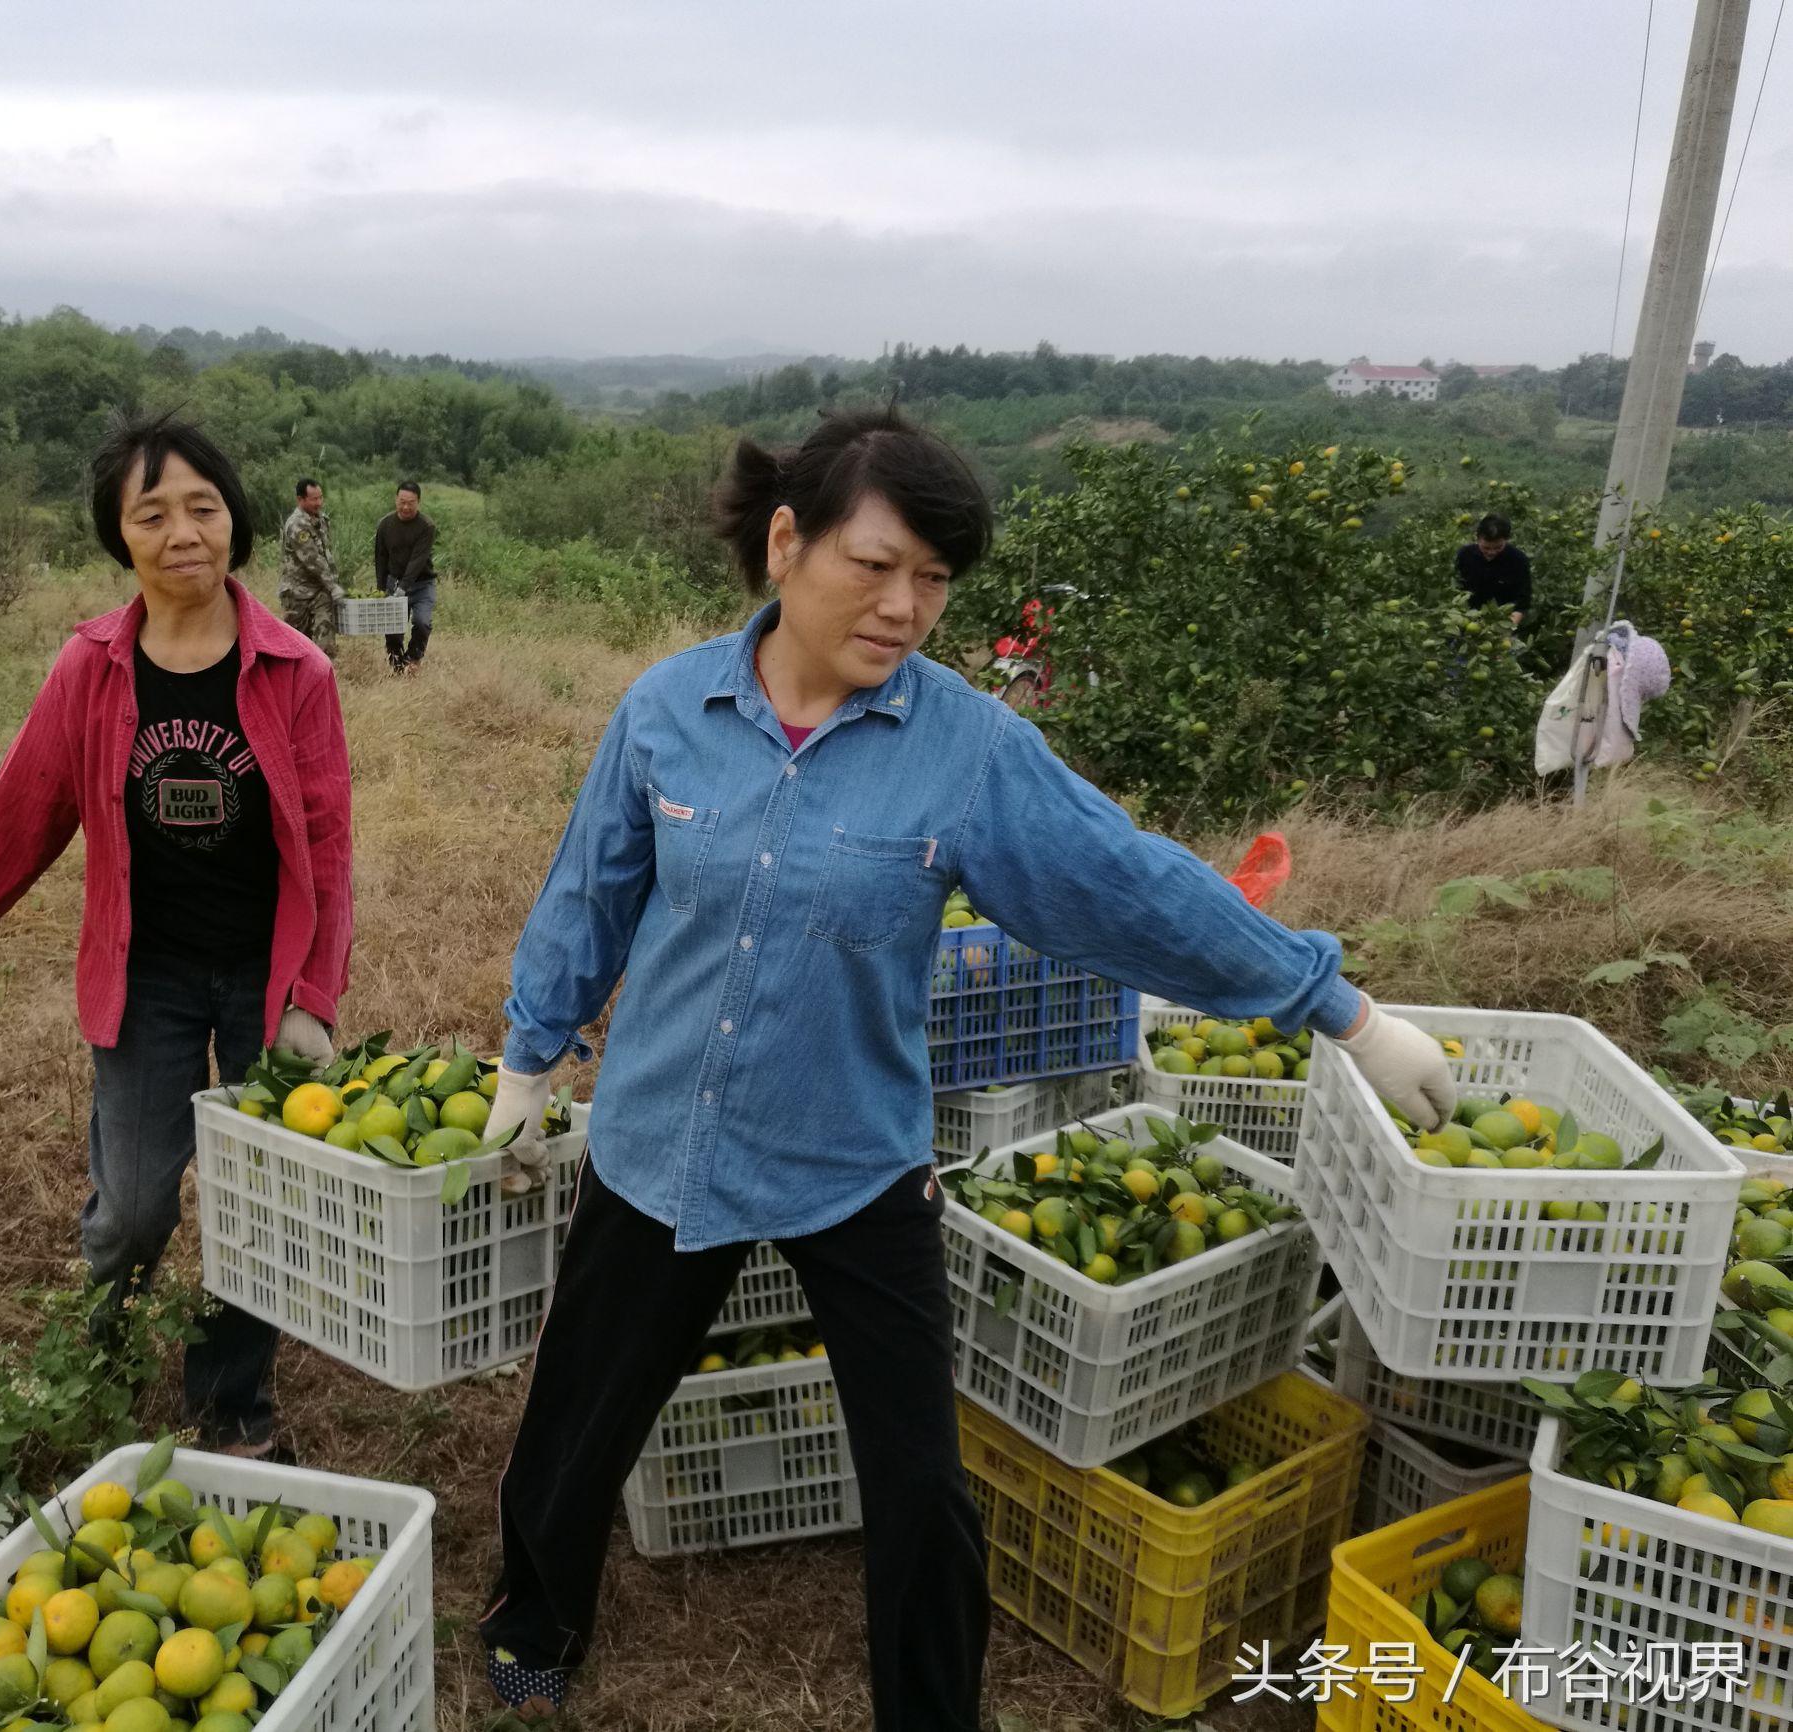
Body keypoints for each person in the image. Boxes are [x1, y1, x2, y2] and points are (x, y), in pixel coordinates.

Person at [473, 408, 1455, 1728]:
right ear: (786, 542)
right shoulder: (666, 714)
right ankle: (535, 1615)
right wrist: (530, 1062)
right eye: (875, 566)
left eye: (934, 580)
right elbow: (591, 894)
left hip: (853, 1158)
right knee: (579, 1416)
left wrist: (1335, 1006)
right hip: (664, 1138)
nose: (906, 606)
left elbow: (1129, 886)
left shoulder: (967, 749)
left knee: (922, 1484)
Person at [0, 411, 353, 1459]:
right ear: (120, 534)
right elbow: (30, 800)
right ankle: (92, 1363)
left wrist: (310, 999)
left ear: (233, 518)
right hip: (143, 972)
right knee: (134, 1207)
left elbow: (326, 850)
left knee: (259, 1204)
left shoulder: (295, 673)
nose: (182, 530)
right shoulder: (91, 667)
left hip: (260, 978)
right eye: (153, 513)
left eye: (202, 506)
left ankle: (230, 1404)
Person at [373, 481, 437, 674]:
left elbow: (418, 560)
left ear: (419, 502)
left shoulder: (426, 526)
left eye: (411, 502)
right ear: (396, 499)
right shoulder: (385, 524)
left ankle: (413, 658)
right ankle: (397, 666)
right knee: (392, 629)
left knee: (422, 622)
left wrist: (404, 589)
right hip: (394, 581)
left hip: (422, 584)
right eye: (402, 501)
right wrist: (382, 588)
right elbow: (380, 558)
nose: (406, 507)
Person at [279, 478, 346, 658]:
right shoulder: (296, 524)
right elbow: (312, 558)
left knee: (325, 634)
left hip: (319, 591)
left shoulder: (322, 520)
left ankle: (324, 673)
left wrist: (332, 585)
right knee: (296, 642)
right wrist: (333, 586)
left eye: (320, 498)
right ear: (300, 500)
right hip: (297, 593)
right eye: (313, 499)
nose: (319, 503)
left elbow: (326, 554)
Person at [1454, 513, 1533, 634]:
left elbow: (1521, 602)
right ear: (1477, 538)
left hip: (1502, 623)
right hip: (1466, 622)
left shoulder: (1518, 560)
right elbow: (1455, 589)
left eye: (1498, 547)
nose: (1491, 552)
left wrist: (1503, 633)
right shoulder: (1465, 555)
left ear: (1506, 540)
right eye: (1486, 547)